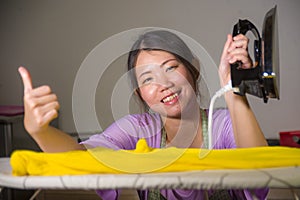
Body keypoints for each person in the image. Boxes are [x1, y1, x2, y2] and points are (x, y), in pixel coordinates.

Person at [18, 30, 268, 200]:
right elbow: (79, 160)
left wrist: (233, 89)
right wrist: (41, 132)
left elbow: (262, 178)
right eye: (148, 78)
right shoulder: (137, 131)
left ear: (193, 68)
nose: (163, 83)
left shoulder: (222, 125)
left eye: (171, 68)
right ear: (140, 93)